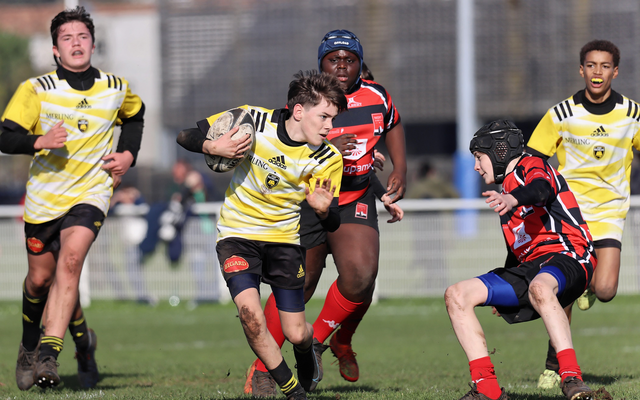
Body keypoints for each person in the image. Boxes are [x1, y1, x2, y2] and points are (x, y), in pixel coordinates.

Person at [244, 29, 407, 397]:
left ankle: (317, 345)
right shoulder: (304, 100)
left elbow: (393, 123)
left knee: (362, 278)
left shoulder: (377, 95)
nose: (342, 66)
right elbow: (284, 144)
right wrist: (329, 144)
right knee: (299, 284)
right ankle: (263, 368)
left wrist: (399, 170)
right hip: (307, 202)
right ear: (321, 63)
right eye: (333, 59)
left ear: (360, 63)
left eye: (349, 59)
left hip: (354, 199)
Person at [177, 70, 347, 400]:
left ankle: (308, 348)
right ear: (299, 111)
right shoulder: (251, 120)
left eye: (332, 118)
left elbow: (333, 224)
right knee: (251, 318)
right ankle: (292, 390)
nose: (330, 127)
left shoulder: (327, 158)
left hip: (284, 240)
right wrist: (214, 145)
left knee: (296, 333)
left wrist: (325, 210)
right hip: (237, 235)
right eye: (324, 117)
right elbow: (185, 136)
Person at [0, 6, 145, 389]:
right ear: (54, 49)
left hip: (92, 191)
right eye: (67, 38)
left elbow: (135, 116)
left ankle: (48, 356)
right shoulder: (36, 90)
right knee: (38, 281)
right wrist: (38, 142)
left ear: (93, 44)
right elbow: (4, 135)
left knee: (71, 260)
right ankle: (33, 345)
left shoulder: (115, 87)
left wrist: (128, 154)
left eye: (82, 37)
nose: (76, 43)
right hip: (44, 199)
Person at [445, 120, 596, 400]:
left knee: (540, 287)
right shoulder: (505, 194)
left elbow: (541, 191)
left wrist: (513, 199)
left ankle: (572, 378)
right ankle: (487, 389)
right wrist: (504, 290)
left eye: (479, 158)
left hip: (570, 253)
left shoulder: (530, 165)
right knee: (456, 295)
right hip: (533, 267)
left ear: (499, 151)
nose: (476, 167)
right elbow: (517, 252)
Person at [526, 39, 640, 389]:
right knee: (565, 290)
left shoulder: (632, 115)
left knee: (605, 289)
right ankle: (554, 363)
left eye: (605, 66)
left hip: (609, 211)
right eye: (591, 65)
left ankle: (589, 284)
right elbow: (533, 158)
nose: (597, 72)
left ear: (615, 71)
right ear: (581, 69)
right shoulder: (561, 114)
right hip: (570, 213)